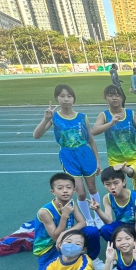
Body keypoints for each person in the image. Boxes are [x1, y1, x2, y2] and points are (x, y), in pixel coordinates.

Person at [33, 85, 103, 228]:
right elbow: (36, 135)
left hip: (86, 154)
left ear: (73, 98)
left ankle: (98, 217)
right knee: (80, 192)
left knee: (92, 188)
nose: (66, 99)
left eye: (69, 96)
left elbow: (91, 140)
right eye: (62, 96)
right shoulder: (54, 117)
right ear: (56, 98)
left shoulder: (82, 117)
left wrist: (97, 161)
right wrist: (46, 119)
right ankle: (88, 219)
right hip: (68, 156)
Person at [34, 173, 104, 270]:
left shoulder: (71, 203)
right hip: (49, 247)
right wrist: (64, 216)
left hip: (67, 238)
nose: (65, 191)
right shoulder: (44, 212)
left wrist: (65, 233)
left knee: (92, 231)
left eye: (69, 187)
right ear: (53, 191)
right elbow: (55, 237)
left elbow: (82, 222)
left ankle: (93, 258)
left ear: (74, 190)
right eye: (60, 188)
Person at [91, 85, 136, 167]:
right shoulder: (104, 115)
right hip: (115, 160)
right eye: (110, 95)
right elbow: (94, 131)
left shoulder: (130, 113)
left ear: (122, 98)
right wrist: (110, 123)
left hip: (133, 158)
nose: (114, 98)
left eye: (117, 95)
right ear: (105, 98)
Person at [89, 166, 136, 244]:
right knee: (105, 229)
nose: (112, 187)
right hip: (122, 223)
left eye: (116, 183)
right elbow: (109, 221)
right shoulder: (107, 198)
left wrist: (135, 238)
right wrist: (98, 210)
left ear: (123, 182)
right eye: (107, 184)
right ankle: (117, 247)